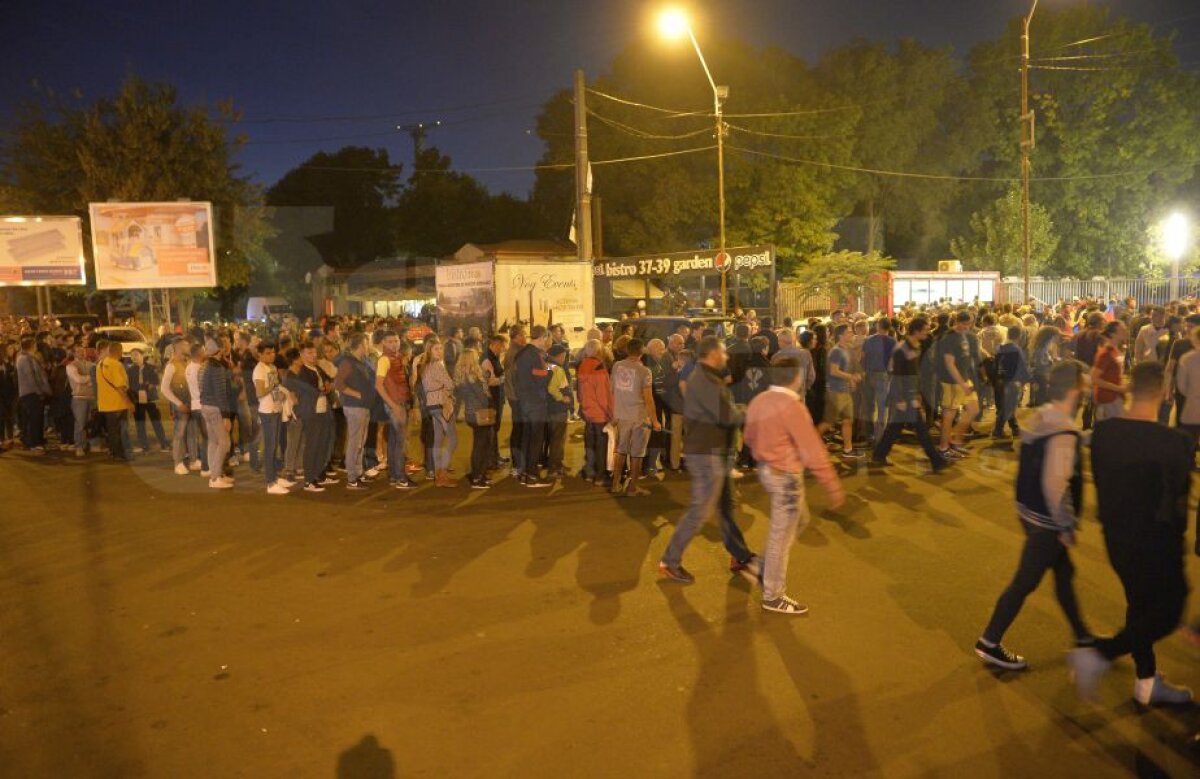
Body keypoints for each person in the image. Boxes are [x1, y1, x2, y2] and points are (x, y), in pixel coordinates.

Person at [1067, 362, 1194, 706]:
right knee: (1167, 611)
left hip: (1116, 539)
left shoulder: (1105, 433)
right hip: (1157, 541)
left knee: (1139, 607)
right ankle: (1100, 654)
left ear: (1129, 387)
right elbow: (1178, 506)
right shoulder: (1175, 443)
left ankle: (1146, 681)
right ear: (1165, 393)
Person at [973, 361, 1094, 671]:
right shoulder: (1063, 431)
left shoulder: (1042, 417)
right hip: (1048, 523)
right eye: (1083, 387)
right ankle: (989, 641)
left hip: (1029, 513)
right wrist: (1065, 525)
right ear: (1073, 391)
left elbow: (1031, 464)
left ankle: (1082, 635)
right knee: (1024, 582)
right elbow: (1055, 484)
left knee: (1064, 575)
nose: (1087, 392)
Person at [744, 355, 845, 614]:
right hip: (786, 476)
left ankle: (762, 567)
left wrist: (765, 455)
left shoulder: (758, 401)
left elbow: (748, 436)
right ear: (796, 378)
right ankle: (773, 594)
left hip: (768, 471)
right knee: (783, 533)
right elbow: (812, 450)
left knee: (797, 521)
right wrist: (832, 486)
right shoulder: (792, 406)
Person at [659, 336, 759, 583]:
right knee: (700, 510)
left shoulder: (706, 377)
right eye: (723, 353)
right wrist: (746, 410)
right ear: (713, 354)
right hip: (706, 454)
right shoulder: (705, 380)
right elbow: (726, 415)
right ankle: (670, 561)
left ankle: (739, 554)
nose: (726, 357)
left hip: (714, 452)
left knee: (725, 507)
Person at [871, 317, 951, 471]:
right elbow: (897, 375)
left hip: (910, 395)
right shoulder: (902, 349)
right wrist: (902, 399)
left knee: (895, 428)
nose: (928, 332)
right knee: (921, 431)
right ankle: (936, 461)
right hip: (904, 396)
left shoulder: (916, 346)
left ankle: (879, 455)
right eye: (926, 329)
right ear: (916, 331)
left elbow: (914, 373)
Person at [610, 338, 660, 497]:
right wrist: (655, 420)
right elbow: (648, 398)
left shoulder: (617, 366)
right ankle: (632, 487)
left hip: (621, 415)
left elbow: (612, 390)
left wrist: (614, 412)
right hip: (639, 417)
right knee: (637, 453)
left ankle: (615, 484)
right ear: (641, 352)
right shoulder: (645, 371)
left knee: (621, 450)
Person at [285, 341, 337, 493]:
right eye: (309, 353)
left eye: (314, 352)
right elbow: (316, 390)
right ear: (301, 355)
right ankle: (309, 479)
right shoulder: (302, 372)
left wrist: (326, 387)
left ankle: (318, 474)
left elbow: (329, 381)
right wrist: (324, 388)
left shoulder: (316, 368)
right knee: (312, 445)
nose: (313, 355)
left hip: (323, 411)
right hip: (311, 412)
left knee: (323, 444)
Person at [333, 333, 377, 490]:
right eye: (366, 344)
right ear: (360, 346)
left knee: (360, 442)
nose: (369, 346)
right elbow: (338, 383)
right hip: (354, 406)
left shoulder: (362, 361)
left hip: (363, 406)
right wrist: (356, 394)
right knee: (355, 442)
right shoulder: (347, 362)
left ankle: (357, 473)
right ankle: (352, 477)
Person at [374, 332, 416, 490]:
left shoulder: (396, 357)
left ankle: (394, 475)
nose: (394, 344)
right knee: (400, 441)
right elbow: (379, 385)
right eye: (390, 341)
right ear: (384, 343)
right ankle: (400, 477)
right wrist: (393, 405)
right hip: (396, 404)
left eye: (396, 340)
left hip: (399, 402)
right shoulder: (385, 359)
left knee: (393, 440)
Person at [937, 311, 980, 460]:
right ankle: (943, 448)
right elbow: (949, 364)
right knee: (948, 416)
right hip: (952, 382)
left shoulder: (966, 336)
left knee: (973, 409)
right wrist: (962, 384)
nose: (967, 327)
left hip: (964, 379)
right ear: (957, 322)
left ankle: (955, 440)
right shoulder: (949, 338)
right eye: (964, 324)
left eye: (969, 324)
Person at [514, 325, 552, 487]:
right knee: (536, 440)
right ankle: (532, 476)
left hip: (524, 401)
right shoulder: (534, 355)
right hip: (535, 402)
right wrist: (550, 371)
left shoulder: (522, 353)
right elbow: (541, 379)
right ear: (542, 337)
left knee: (527, 438)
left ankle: (524, 473)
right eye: (546, 339)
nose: (547, 342)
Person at [253, 342, 293, 495]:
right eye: (268, 353)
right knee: (269, 447)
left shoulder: (272, 368)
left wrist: (280, 394)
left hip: (275, 409)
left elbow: (274, 389)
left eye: (273, 352)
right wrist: (274, 386)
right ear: (260, 354)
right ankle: (270, 482)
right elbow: (260, 392)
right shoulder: (259, 370)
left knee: (274, 445)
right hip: (267, 411)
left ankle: (275, 477)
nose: (272, 355)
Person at [455, 346, 494, 489]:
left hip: (471, 413)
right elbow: (482, 396)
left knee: (480, 444)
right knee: (481, 445)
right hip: (480, 413)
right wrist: (488, 395)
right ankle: (477, 477)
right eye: (476, 356)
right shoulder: (472, 377)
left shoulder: (462, 375)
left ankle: (479, 474)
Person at [420, 340, 457, 488]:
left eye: (441, 348)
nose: (440, 351)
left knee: (438, 439)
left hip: (432, 405)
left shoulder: (426, 366)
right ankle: (442, 473)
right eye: (436, 349)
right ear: (430, 351)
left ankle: (438, 473)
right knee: (453, 439)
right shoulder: (437, 366)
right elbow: (450, 384)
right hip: (442, 404)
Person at [199, 341, 235, 488]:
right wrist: (226, 415)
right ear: (219, 352)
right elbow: (221, 393)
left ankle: (215, 474)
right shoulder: (217, 368)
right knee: (224, 442)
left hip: (205, 406)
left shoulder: (204, 366)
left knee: (213, 441)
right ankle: (215, 477)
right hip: (215, 408)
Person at [576, 339, 613, 485]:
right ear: (599, 351)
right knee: (601, 445)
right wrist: (611, 414)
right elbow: (603, 397)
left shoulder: (582, 366)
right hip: (599, 414)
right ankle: (600, 476)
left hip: (587, 413)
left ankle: (589, 472)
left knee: (589, 444)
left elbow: (579, 392)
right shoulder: (599, 368)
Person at [824, 324, 863, 459]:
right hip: (835, 391)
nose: (851, 334)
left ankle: (848, 450)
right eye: (849, 332)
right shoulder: (836, 351)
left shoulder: (847, 349)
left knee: (847, 421)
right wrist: (851, 377)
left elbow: (847, 369)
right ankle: (808, 447)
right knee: (828, 422)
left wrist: (851, 380)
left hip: (844, 390)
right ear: (841, 335)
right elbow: (833, 371)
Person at [96, 341, 133, 462]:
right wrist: (128, 403)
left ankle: (112, 452)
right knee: (120, 431)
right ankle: (120, 454)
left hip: (105, 404)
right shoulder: (116, 364)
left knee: (112, 430)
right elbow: (120, 386)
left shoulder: (100, 364)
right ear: (119, 352)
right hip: (117, 403)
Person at [126, 349, 168, 453]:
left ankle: (164, 444)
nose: (134, 358)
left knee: (156, 421)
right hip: (137, 399)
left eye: (136, 355)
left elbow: (156, 382)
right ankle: (143, 445)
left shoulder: (151, 368)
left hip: (150, 398)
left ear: (142, 355)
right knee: (140, 422)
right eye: (132, 356)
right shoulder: (130, 370)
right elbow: (129, 385)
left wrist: (149, 385)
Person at [991, 325, 1030, 438]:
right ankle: (998, 430)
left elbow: (995, 365)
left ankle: (1015, 428)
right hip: (1012, 381)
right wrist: (1026, 381)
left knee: (1006, 406)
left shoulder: (999, 348)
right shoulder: (1017, 349)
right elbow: (1022, 367)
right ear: (1019, 336)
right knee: (1008, 407)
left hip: (999, 381)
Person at [861, 317, 896, 444]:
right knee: (882, 408)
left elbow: (863, 358)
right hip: (883, 376)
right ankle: (880, 437)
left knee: (869, 406)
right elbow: (893, 362)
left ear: (878, 326)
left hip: (869, 374)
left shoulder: (868, 340)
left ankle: (869, 433)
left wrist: (864, 371)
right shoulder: (892, 342)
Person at [14, 336, 50, 454]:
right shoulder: (24, 359)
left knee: (38, 418)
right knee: (33, 419)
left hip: (33, 392)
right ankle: (34, 443)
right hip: (30, 392)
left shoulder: (29, 358)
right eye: (34, 345)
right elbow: (31, 377)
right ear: (31, 346)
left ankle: (38, 441)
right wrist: (39, 391)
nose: (36, 347)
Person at [543, 343, 572, 478]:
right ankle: (554, 468)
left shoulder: (547, 366)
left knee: (553, 438)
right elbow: (552, 389)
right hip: (558, 408)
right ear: (559, 356)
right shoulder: (558, 370)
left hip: (548, 408)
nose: (564, 358)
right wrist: (563, 398)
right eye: (564, 356)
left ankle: (557, 465)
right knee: (558, 440)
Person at [1091, 321, 1127, 422]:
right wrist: (1118, 388)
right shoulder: (1106, 353)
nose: (1125, 332)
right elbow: (1094, 378)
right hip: (1108, 398)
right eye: (1122, 330)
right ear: (1112, 334)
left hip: (1114, 397)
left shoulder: (1115, 350)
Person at [65, 344, 94, 457]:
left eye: (83, 351)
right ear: (74, 353)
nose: (82, 353)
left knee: (90, 422)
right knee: (80, 423)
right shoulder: (71, 366)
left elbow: (94, 378)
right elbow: (78, 379)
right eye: (78, 351)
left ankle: (87, 444)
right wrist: (89, 378)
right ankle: (79, 446)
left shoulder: (91, 364)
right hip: (79, 397)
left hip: (91, 397)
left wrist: (86, 379)